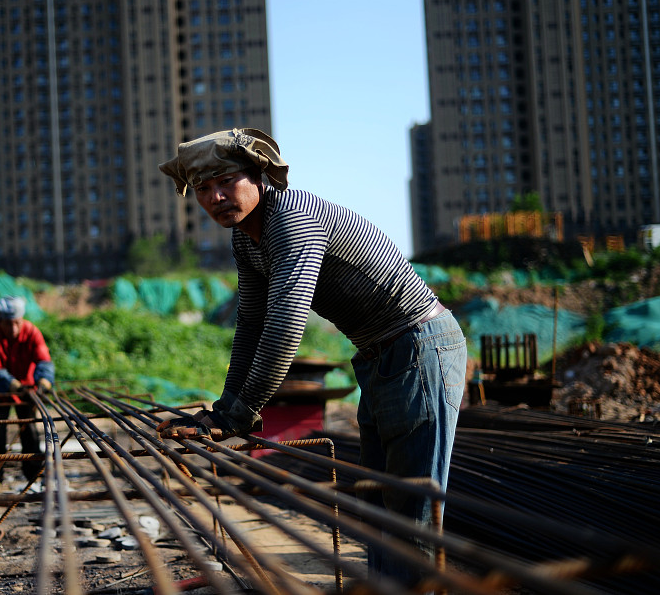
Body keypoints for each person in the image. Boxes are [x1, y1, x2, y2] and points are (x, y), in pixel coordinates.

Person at [155, 128, 466, 586]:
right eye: (203, 188)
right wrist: (224, 410)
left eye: (226, 181)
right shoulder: (246, 237)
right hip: (379, 356)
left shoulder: (291, 219)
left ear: (259, 175)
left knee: (411, 506)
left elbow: (284, 327)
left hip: (419, 347)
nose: (216, 197)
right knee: (378, 502)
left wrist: (241, 413)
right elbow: (251, 323)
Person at [0, 295, 55, 489]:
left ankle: (34, 474)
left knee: (29, 430)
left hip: (27, 389)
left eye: (17, 323)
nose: (13, 329)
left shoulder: (32, 332)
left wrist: (44, 382)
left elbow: (44, 361)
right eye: (8, 324)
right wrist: (16, 386)